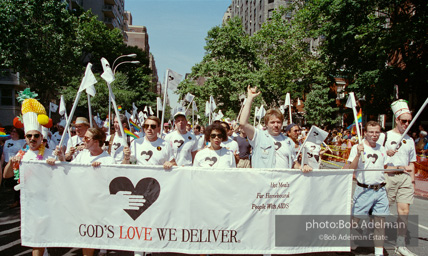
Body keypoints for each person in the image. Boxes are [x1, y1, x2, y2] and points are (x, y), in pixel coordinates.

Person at [48, 127, 115, 256]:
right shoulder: (82, 155)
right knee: (86, 238)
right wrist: (61, 158)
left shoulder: (108, 160)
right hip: (81, 202)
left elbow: (112, 183)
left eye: (86, 138)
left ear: (96, 141)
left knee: (91, 238)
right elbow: (70, 170)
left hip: (97, 204)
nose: (83, 140)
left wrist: (101, 171)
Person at [3, 94, 55, 256]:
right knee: (36, 240)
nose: (32, 139)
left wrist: (58, 161)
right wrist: (12, 163)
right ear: (25, 138)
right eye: (29, 136)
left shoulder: (49, 154)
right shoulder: (21, 154)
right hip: (29, 202)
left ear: (41, 137)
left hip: (48, 201)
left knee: (44, 237)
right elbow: (7, 176)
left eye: (36, 135)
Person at [239, 85, 311, 172]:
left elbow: (293, 163)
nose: (276, 125)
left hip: (283, 183)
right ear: (266, 124)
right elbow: (243, 123)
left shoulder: (288, 142)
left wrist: (302, 167)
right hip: (263, 182)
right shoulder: (258, 136)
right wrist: (250, 98)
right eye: (272, 122)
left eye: (278, 122)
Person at [380, 100, 417, 256]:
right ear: (396, 120)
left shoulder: (409, 140)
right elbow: (377, 158)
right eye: (403, 120)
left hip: (405, 178)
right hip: (388, 177)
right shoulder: (385, 136)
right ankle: (378, 244)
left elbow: (412, 162)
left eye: (409, 121)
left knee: (404, 211)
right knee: (382, 211)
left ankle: (400, 244)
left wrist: (413, 181)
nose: (406, 123)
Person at [347, 121, 389, 256]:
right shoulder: (357, 147)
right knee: (355, 221)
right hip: (364, 190)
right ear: (365, 133)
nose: (374, 135)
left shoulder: (382, 149)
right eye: (371, 132)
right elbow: (350, 169)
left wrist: (403, 168)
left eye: (377, 132)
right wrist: (358, 154)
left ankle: (378, 252)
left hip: (381, 190)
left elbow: (385, 168)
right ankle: (344, 245)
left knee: (380, 223)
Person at [1, 127, 26, 208]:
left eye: (14, 132)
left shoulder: (23, 142)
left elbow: (23, 152)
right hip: (7, 163)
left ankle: (16, 201)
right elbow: (4, 154)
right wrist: (2, 164)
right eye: (11, 131)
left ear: (18, 133)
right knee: (7, 183)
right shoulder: (7, 141)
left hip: (16, 165)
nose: (12, 133)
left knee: (15, 183)